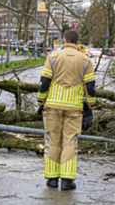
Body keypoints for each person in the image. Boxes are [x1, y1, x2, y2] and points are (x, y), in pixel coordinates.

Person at [36, 29, 96, 190]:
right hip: (74, 107)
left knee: (52, 140)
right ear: (77, 42)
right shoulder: (85, 60)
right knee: (70, 141)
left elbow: (44, 82)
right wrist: (91, 106)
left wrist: (41, 101)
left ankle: (52, 178)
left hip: (53, 106)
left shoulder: (53, 57)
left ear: (63, 40)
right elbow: (90, 87)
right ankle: (67, 180)